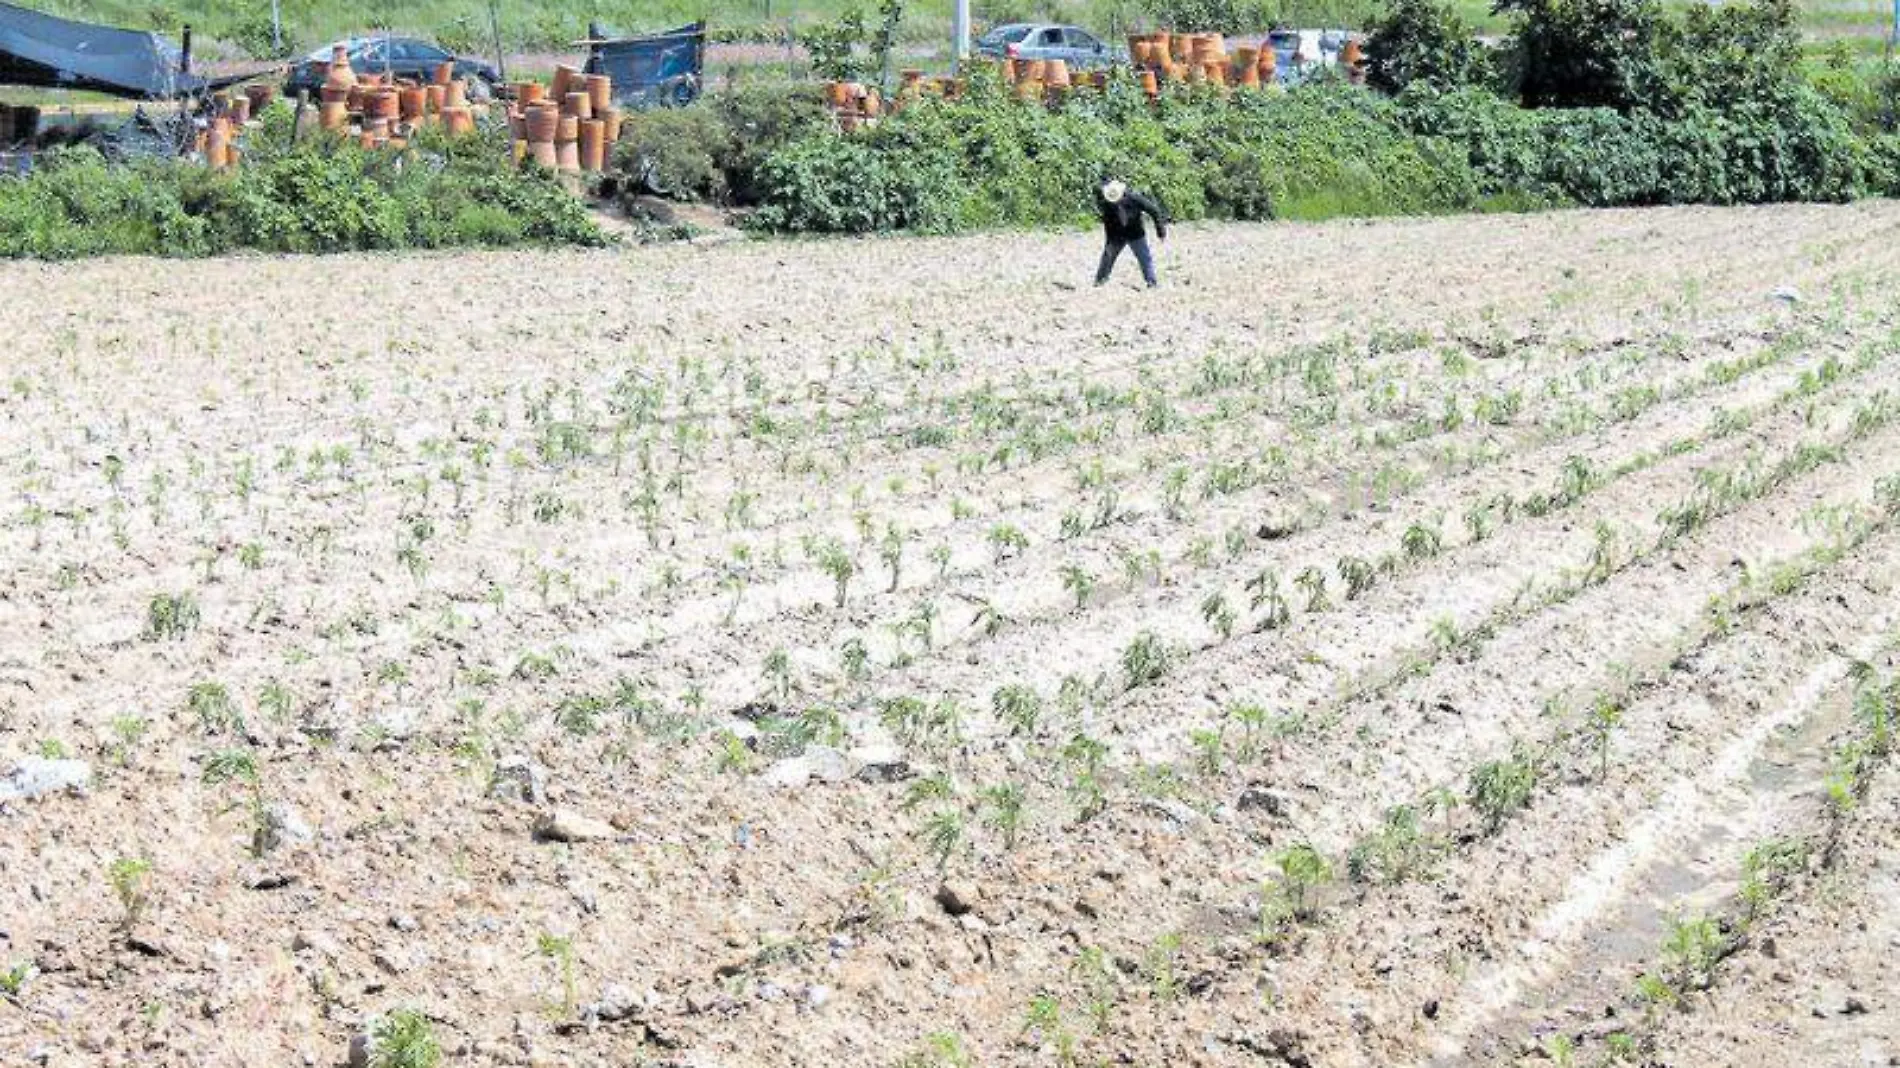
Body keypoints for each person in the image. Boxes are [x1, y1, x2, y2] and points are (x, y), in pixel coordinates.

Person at [1094, 177, 1167, 288]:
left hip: (1135, 233)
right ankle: (1099, 282)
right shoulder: (1105, 203)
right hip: (1116, 235)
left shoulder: (1135, 199)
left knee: (1145, 258)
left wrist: (1160, 231)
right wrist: (1109, 241)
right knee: (1107, 258)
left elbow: (1154, 211)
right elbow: (1107, 223)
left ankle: (1152, 283)